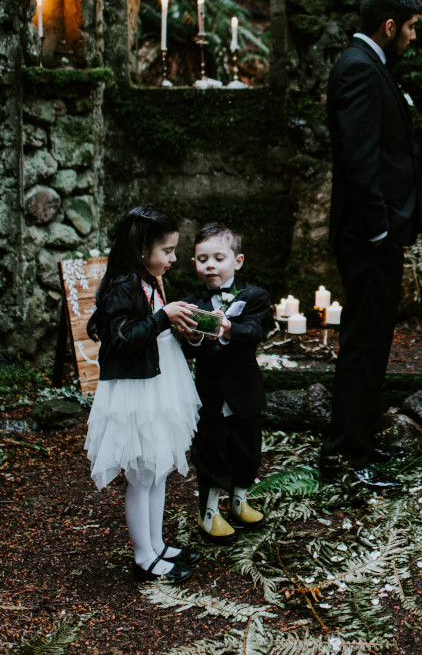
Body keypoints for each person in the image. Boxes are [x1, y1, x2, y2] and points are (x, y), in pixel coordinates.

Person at [321, 0, 422, 490]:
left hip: (374, 232)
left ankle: (352, 438)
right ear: (389, 26)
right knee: (364, 341)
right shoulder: (360, 69)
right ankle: (349, 456)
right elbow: (359, 160)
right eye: (409, 27)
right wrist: (381, 228)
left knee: (370, 338)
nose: (412, 36)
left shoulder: (369, 65)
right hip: (368, 235)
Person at [84, 205, 203, 582]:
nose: (173, 258)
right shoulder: (123, 285)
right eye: (167, 250)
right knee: (142, 475)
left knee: (158, 470)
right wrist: (162, 318)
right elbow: (121, 341)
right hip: (136, 390)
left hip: (159, 382)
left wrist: (178, 326)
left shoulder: (150, 281)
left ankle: (157, 544)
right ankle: (143, 556)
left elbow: (152, 329)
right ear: (141, 250)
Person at [172, 222, 273, 544]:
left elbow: (255, 332)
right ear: (194, 264)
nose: (210, 265)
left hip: (244, 390)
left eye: (218, 257)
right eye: (202, 259)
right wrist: (188, 336)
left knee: (247, 448)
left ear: (237, 261)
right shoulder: (189, 304)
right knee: (212, 451)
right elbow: (187, 350)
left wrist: (227, 328)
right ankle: (209, 511)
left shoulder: (255, 296)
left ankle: (240, 501)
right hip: (209, 393)